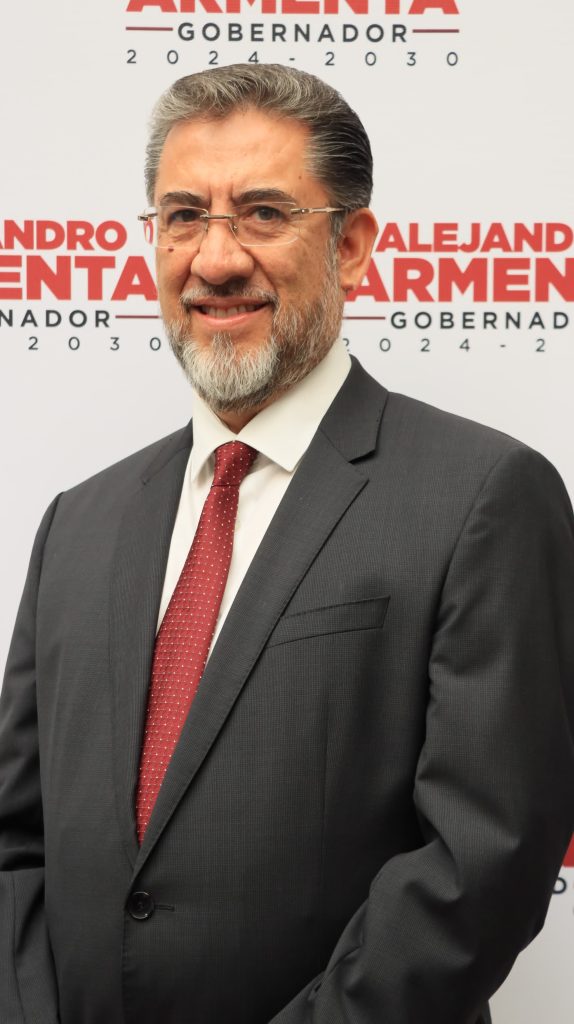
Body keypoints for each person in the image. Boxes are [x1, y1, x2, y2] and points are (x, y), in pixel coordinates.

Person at [1, 63, 573, 1024]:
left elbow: (484, 862)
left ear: (351, 247)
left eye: (264, 213)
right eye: (183, 216)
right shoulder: (79, 523)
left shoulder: (484, 496)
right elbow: (17, 844)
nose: (216, 259)